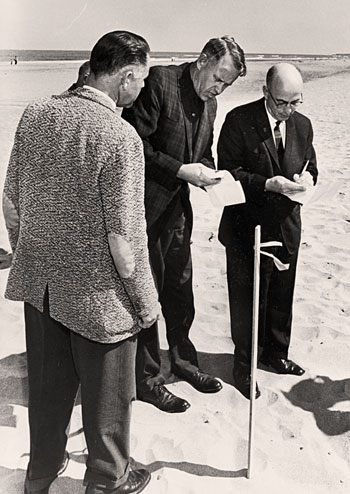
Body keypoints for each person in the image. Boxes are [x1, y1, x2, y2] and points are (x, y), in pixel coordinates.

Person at [3, 30, 160, 494]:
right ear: (126, 77)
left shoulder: (35, 115)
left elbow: (11, 202)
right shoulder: (120, 136)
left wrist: (30, 251)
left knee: (48, 394)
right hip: (101, 298)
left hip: (40, 288)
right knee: (108, 402)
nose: (142, 90)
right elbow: (124, 242)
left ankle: (40, 475)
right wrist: (146, 305)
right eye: (142, 81)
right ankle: (108, 479)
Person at [123, 36, 246, 413]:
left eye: (227, 85)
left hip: (178, 212)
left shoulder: (211, 104)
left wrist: (211, 174)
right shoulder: (160, 82)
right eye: (219, 78)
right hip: (142, 211)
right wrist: (180, 169)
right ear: (203, 60)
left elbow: (202, 152)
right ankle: (146, 380)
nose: (219, 88)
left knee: (180, 292)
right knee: (146, 296)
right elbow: (134, 145)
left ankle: (184, 363)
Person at [217, 63, 318, 399]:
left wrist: (308, 180)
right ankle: (244, 367)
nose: (288, 111)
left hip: (287, 226)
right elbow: (228, 172)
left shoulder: (302, 125)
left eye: (295, 103)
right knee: (247, 300)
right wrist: (267, 184)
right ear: (265, 93)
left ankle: (276, 355)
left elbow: (311, 165)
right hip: (247, 227)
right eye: (281, 103)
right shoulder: (238, 120)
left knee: (281, 296)